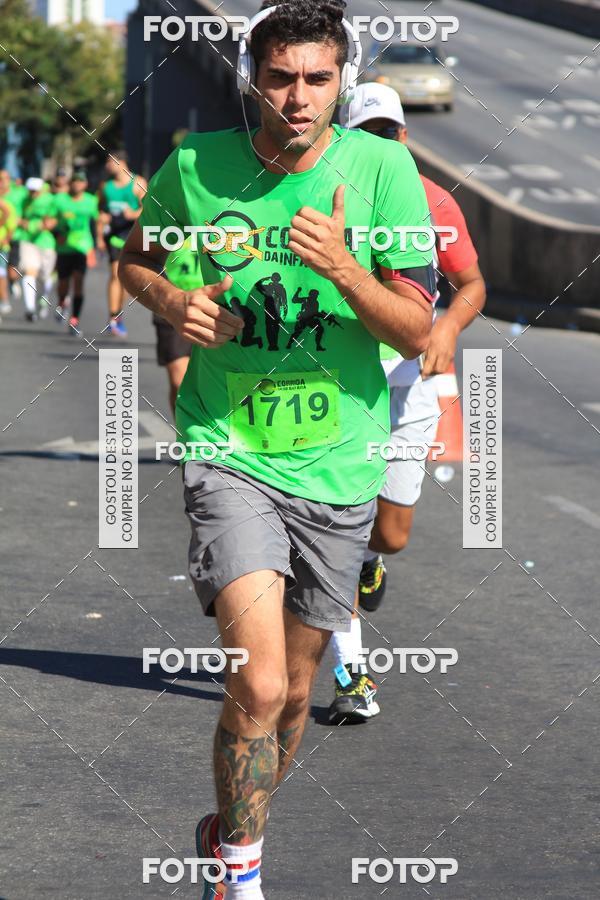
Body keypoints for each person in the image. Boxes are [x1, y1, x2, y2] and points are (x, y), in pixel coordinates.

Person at [119, 1, 435, 895]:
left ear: (344, 81)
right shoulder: (193, 165)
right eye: (282, 76)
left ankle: (228, 830)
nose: (299, 98)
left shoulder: (382, 172)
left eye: (319, 79)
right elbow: (139, 260)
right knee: (256, 688)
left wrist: (344, 268)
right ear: (252, 76)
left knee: (296, 696)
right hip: (230, 451)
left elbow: (417, 331)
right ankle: (242, 878)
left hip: (340, 465)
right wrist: (171, 302)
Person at [326, 82, 487, 725]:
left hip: (410, 385)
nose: (380, 144)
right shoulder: (324, 198)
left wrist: (445, 329)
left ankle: (367, 559)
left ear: (404, 136)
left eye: (388, 133)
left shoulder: (432, 201)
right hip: (337, 386)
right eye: (365, 135)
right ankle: (351, 673)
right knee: (334, 531)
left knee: (388, 535)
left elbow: (473, 284)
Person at [97, 150, 146, 337]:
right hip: (114, 236)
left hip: (132, 235)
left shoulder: (138, 183)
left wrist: (132, 214)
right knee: (115, 274)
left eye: (109, 162)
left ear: (121, 163)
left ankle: (117, 313)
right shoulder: (105, 186)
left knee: (126, 280)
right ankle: (113, 317)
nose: (106, 166)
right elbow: (100, 210)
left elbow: (148, 209)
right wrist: (100, 236)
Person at [49, 171, 99, 334]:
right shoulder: (59, 200)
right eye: (75, 181)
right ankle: (62, 301)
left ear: (85, 185)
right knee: (63, 283)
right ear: (70, 183)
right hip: (64, 248)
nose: (77, 184)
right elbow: (49, 221)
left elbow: (97, 222)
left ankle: (74, 319)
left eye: (81, 182)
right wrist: (57, 234)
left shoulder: (91, 201)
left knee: (79, 282)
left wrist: (97, 244)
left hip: (83, 247)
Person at [154, 243, 195, 414]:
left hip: (218, 309)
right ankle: (184, 436)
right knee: (179, 383)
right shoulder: (171, 221)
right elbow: (144, 259)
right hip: (174, 308)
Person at [12, 177, 58, 322]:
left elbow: (51, 221)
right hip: (28, 241)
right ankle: (30, 309)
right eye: (30, 190)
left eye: (35, 190)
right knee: (30, 272)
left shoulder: (50, 199)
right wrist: (29, 224)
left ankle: (43, 299)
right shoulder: (24, 200)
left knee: (45, 277)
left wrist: (35, 225)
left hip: (46, 243)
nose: (33, 193)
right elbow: (17, 218)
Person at [0, 170, 29, 311]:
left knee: (11, 270)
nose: (2, 182)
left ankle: (12, 283)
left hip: (14, 235)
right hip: (4, 238)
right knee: (2, 271)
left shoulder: (18, 192)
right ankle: (5, 296)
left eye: (4, 179)